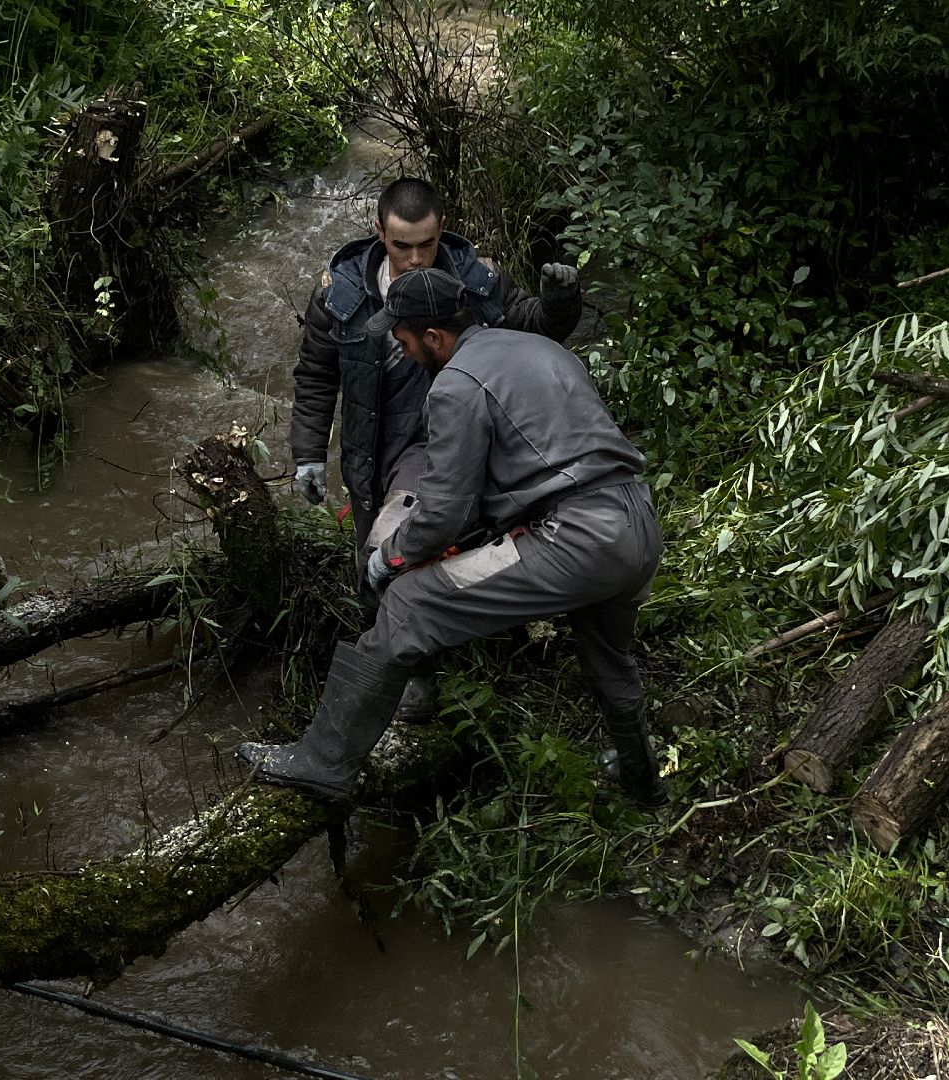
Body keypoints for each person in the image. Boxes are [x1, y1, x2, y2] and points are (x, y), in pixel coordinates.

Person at [238, 268, 667, 808]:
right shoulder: (541, 349)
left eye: (404, 340)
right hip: (636, 521)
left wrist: (392, 556)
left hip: (574, 538)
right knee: (610, 655)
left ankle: (320, 763)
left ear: (434, 337)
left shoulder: (457, 383)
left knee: (407, 604)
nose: (405, 351)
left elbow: (444, 510)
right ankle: (642, 781)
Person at [288, 177, 582, 559]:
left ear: (442, 226)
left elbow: (532, 332)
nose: (414, 258)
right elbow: (316, 376)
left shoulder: (478, 279)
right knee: (375, 558)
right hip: (375, 441)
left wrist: (559, 302)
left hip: (466, 435)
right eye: (401, 246)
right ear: (379, 231)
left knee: (460, 554)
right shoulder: (339, 295)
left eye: (426, 244)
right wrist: (308, 453)